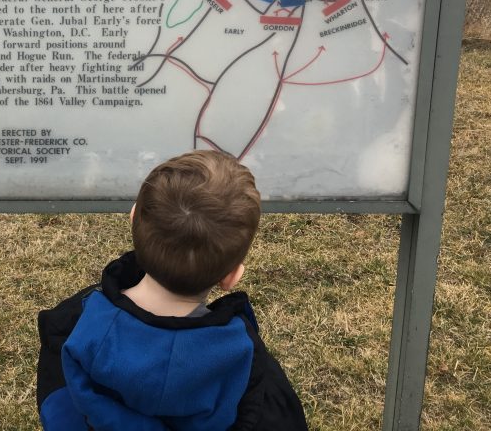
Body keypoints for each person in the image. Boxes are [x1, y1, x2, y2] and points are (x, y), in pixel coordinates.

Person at [36, 150, 309, 430]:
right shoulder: (247, 365)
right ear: (231, 277)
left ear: (132, 217)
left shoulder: (74, 326)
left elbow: (59, 407)